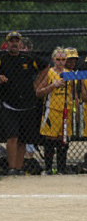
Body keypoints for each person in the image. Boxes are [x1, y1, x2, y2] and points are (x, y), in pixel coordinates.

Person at [0, 31, 48, 175]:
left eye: (16, 41)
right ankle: (11, 168)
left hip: (27, 105)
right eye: (11, 41)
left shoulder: (28, 58)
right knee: (12, 136)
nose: (14, 43)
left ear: (20, 43)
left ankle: (19, 168)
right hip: (8, 104)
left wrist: (37, 83)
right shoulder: (1, 57)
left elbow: (46, 66)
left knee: (23, 139)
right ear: (7, 43)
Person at [36, 47, 72, 175]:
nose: (61, 62)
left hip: (66, 111)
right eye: (58, 59)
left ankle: (61, 168)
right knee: (50, 139)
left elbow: (75, 95)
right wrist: (52, 86)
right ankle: (49, 168)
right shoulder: (50, 73)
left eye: (63, 59)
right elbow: (38, 92)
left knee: (63, 139)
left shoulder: (69, 73)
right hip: (52, 110)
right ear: (53, 60)